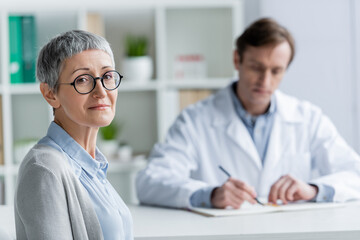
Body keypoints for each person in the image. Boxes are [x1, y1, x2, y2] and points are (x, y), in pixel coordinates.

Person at [136, 18, 360, 209]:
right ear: (237, 60)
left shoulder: (308, 118)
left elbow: (354, 175)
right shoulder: (194, 120)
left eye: (276, 71)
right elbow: (149, 182)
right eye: (256, 67)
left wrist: (313, 189)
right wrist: (210, 194)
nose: (265, 81)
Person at [14, 30, 133, 240]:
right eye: (83, 79)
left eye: (107, 76)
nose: (101, 91)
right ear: (50, 93)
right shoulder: (44, 169)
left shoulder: (93, 166)